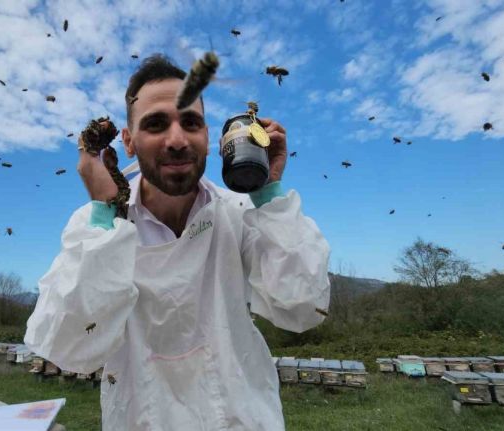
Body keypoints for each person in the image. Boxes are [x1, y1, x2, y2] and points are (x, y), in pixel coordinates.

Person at [25, 54, 330, 430]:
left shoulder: (238, 211)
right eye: (155, 124)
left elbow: (303, 306)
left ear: (208, 137)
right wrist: (105, 213)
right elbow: (69, 346)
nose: (177, 140)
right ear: (128, 142)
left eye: (190, 122)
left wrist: (268, 193)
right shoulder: (97, 225)